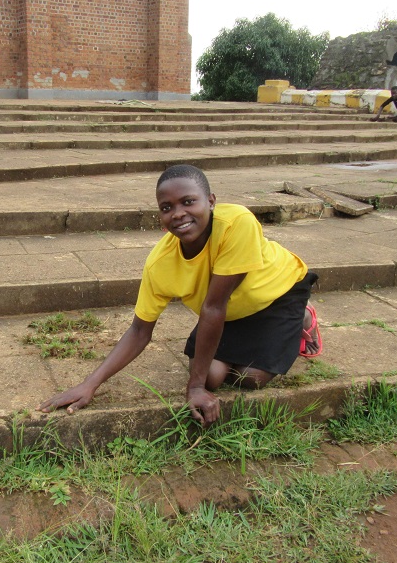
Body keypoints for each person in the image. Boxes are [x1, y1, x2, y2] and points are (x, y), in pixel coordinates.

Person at [38, 164, 321, 426]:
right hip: (227, 311)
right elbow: (139, 330)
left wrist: (193, 388)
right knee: (212, 377)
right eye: (167, 207)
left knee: (251, 378)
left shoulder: (236, 223)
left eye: (188, 202)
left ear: (210, 201)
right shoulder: (160, 263)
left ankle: (302, 319)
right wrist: (90, 384)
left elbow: (213, 307)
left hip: (277, 293)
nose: (178, 213)